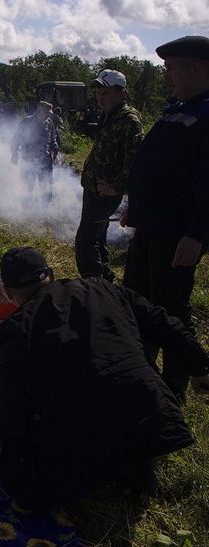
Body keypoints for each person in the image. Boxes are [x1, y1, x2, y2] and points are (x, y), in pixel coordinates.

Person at [0, 247, 209, 509]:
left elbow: (14, 419)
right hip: (154, 418)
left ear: (7, 291)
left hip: (87, 435)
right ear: (50, 275)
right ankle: (131, 465)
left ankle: (98, 471)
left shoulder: (15, 332)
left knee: (16, 476)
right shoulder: (102, 288)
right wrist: (200, 367)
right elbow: (166, 324)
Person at [122, 35, 209, 403]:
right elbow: (156, 167)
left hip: (176, 236)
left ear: (196, 67)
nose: (166, 76)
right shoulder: (178, 109)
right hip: (150, 229)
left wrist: (197, 233)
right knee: (137, 302)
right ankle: (141, 376)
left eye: (172, 68)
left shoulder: (205, 115)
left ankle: (175, 390)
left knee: (170, 312)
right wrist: (135, 207)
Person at [74, 70, 144, 281]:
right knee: (97, 238)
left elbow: (136, 161)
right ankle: (105, 280)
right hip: (95, 189)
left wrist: (116, 187)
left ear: (121, 93)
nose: (99, 97)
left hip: (105, 193)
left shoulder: (129, 121)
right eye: (98, 92)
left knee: (85, 242)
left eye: (105, 93)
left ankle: (94, 285)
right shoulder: (108, 115)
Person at [10, 101, 58, 204]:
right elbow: (16, 138)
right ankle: (25, 209)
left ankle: (45, 209)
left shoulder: (50, 123)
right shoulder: (26, 122)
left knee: (46, 186)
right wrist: (14, 153)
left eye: (49, 114)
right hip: (29, 159)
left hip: (45, 161)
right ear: (39, 111)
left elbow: (53, 139)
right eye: (46, 113)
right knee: (27, 185)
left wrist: (55, 152)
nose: (48, 116)